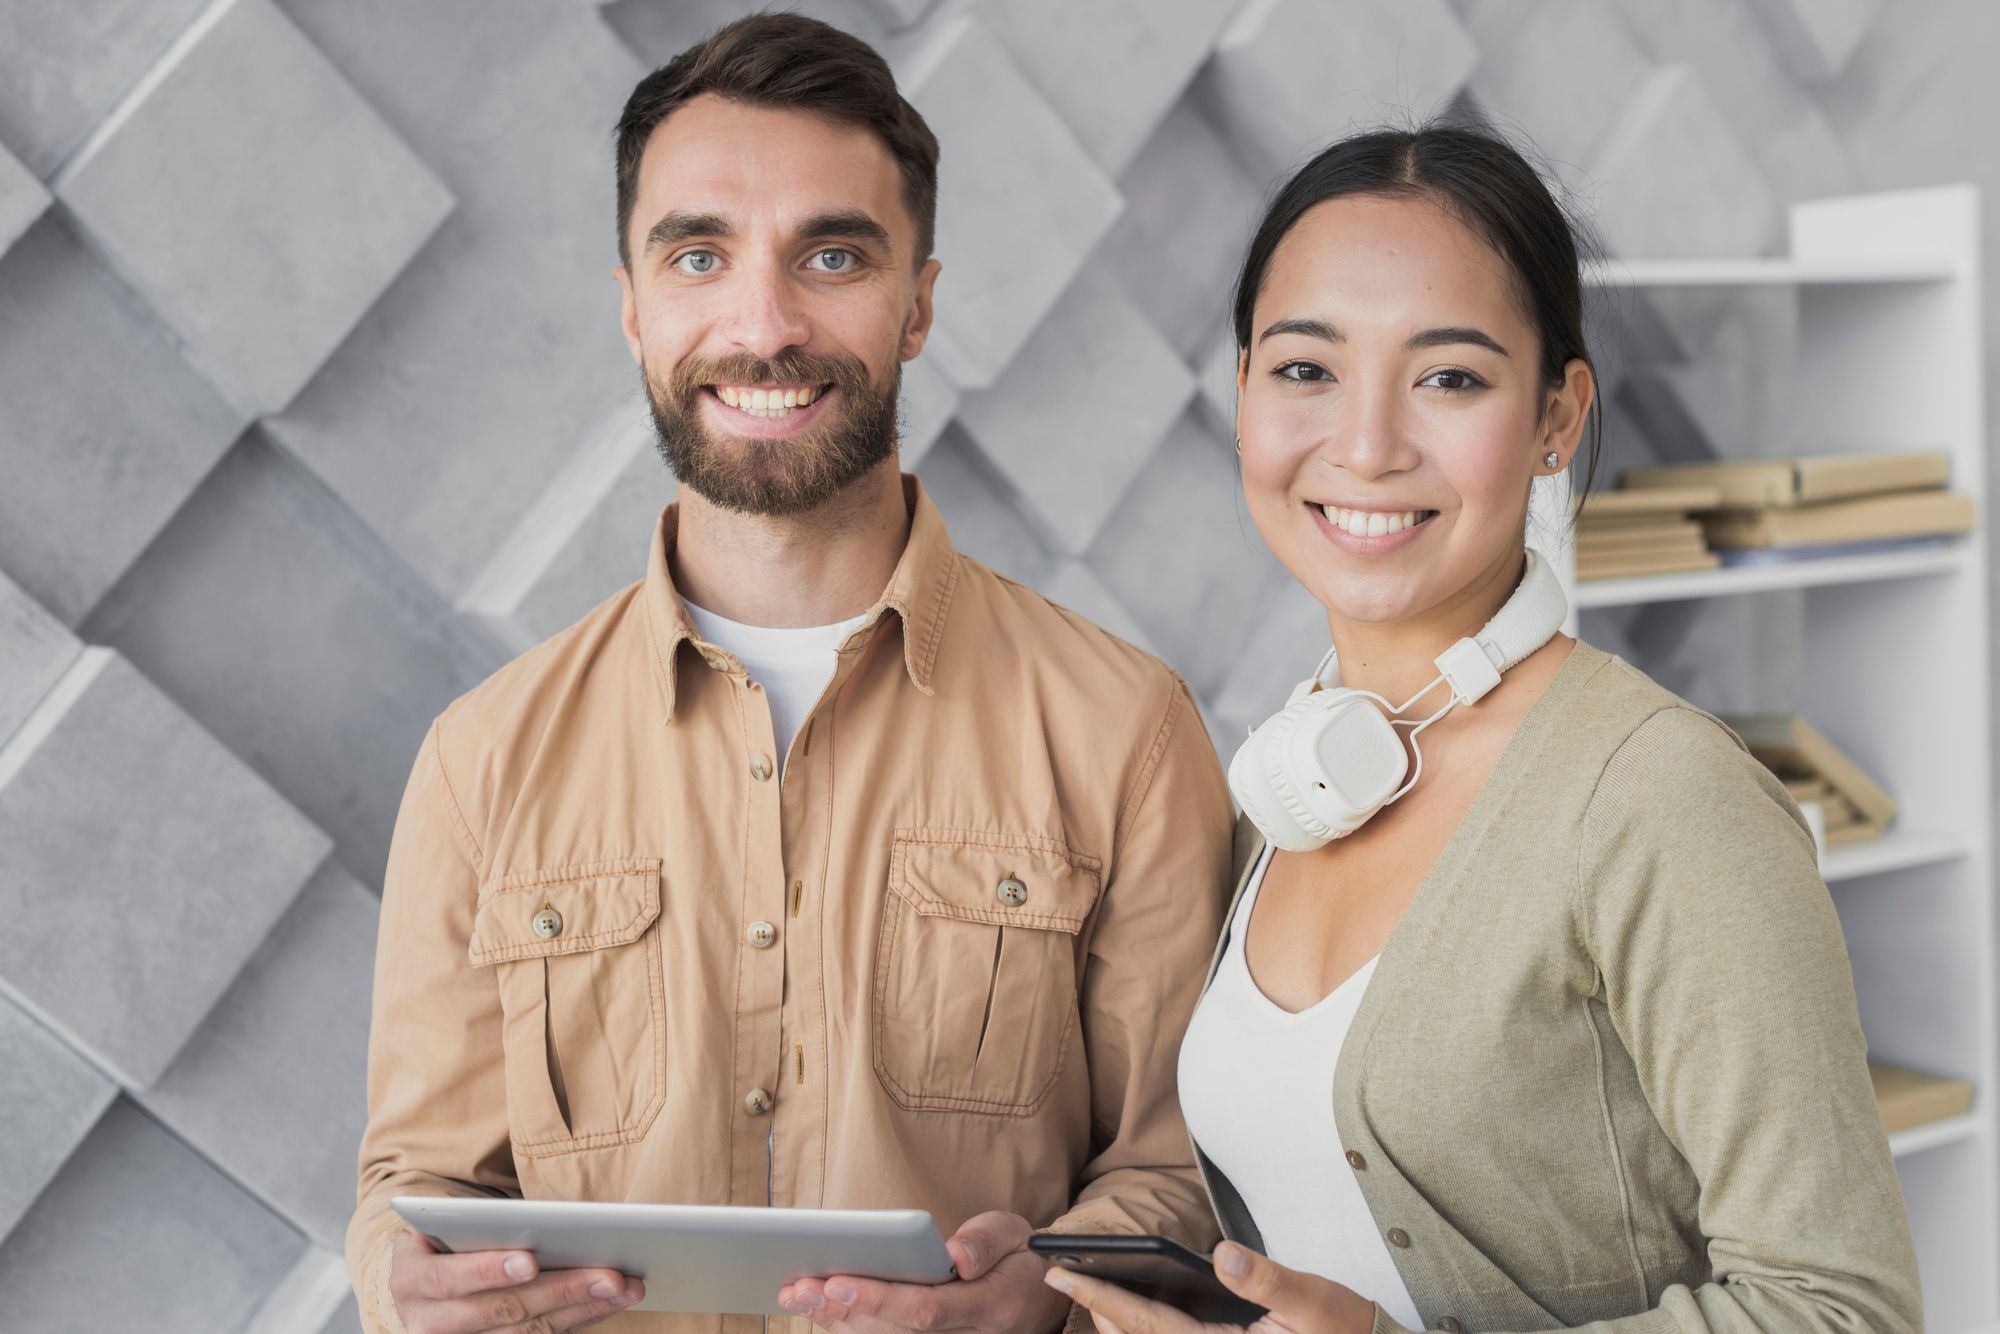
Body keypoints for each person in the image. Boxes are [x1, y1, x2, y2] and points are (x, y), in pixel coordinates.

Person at [345, 13, 1234, 1334]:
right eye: (699, 255)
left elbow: (1185, 1178)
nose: (763, 325)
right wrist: (401, 1280)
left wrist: (1047, 1293)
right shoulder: (485, 757)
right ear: (635, 307)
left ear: (920, 301)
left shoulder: (1125, 730)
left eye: (832, 254)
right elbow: (410, 1185)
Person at [1047, 122, 1923, 1334]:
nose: (1363, 444)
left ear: (1556, 417)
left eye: (1447, 376)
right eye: (1304, 369)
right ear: (1242, 388)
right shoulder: (1293, 775)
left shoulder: (1656, 796)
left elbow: (1842, 1308)